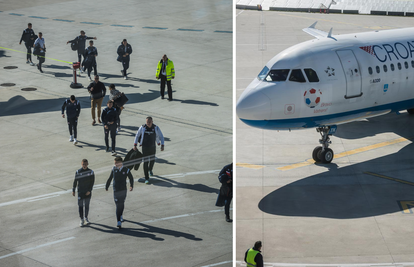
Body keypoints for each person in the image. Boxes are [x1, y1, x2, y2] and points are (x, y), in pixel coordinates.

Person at [133, 117, 164, 184]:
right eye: (147, 122)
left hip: (152, 147)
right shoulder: (143, 127)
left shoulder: (156, 127)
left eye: (149, 122)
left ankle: (150, 169)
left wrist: (162, 145)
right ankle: (146, 178)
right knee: (145, 162)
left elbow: (161, 136)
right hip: (145, 147)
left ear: (152, 121)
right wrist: (135, 145)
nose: (148, 123)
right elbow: (137, 135)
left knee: (152, 161)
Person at [105, 156, 134, 228]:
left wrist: (131, 186)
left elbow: (131, 178)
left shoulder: (126, 170)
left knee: (121, 203)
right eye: (114, 163)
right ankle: (118, 221)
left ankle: (120, 215)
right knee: (118, 204)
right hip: (116, 189)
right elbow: (110, 178)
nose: (115, 165)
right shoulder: (114, 169)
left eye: (116, 163)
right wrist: (107, 185)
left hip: (123, 189)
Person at [72, 159, 95, 227]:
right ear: (81, 164)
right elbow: (75, 181)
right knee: (80, 206)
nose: (84, 166)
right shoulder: (78, 172)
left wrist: (89, 190)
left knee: (87, 205)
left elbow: (92, 182)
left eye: (85, 164)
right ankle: (81, 219)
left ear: (87, 164)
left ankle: (86, 218)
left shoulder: (91, 172)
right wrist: (73, 190)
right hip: (80, 192)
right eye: (83, 164)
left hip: (87, 192)